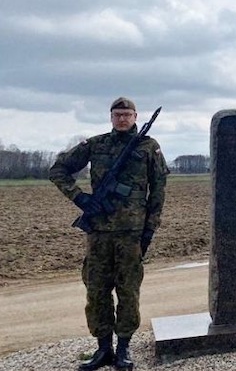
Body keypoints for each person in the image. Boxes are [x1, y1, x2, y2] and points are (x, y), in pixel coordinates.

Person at [49, 97, 168, 370]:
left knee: (128, 292)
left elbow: (158, 192)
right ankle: (103, 348)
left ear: (136, 116)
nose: (122, 119)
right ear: (111, 117)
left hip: (131, 234)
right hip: (99, 233)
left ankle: (124, 348)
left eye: (127, 114)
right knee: (97, 291)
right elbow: (58, 170)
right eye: (117, 114)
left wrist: (150, 229)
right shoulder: (96, 144)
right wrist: (80, 198)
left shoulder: (149, 148)